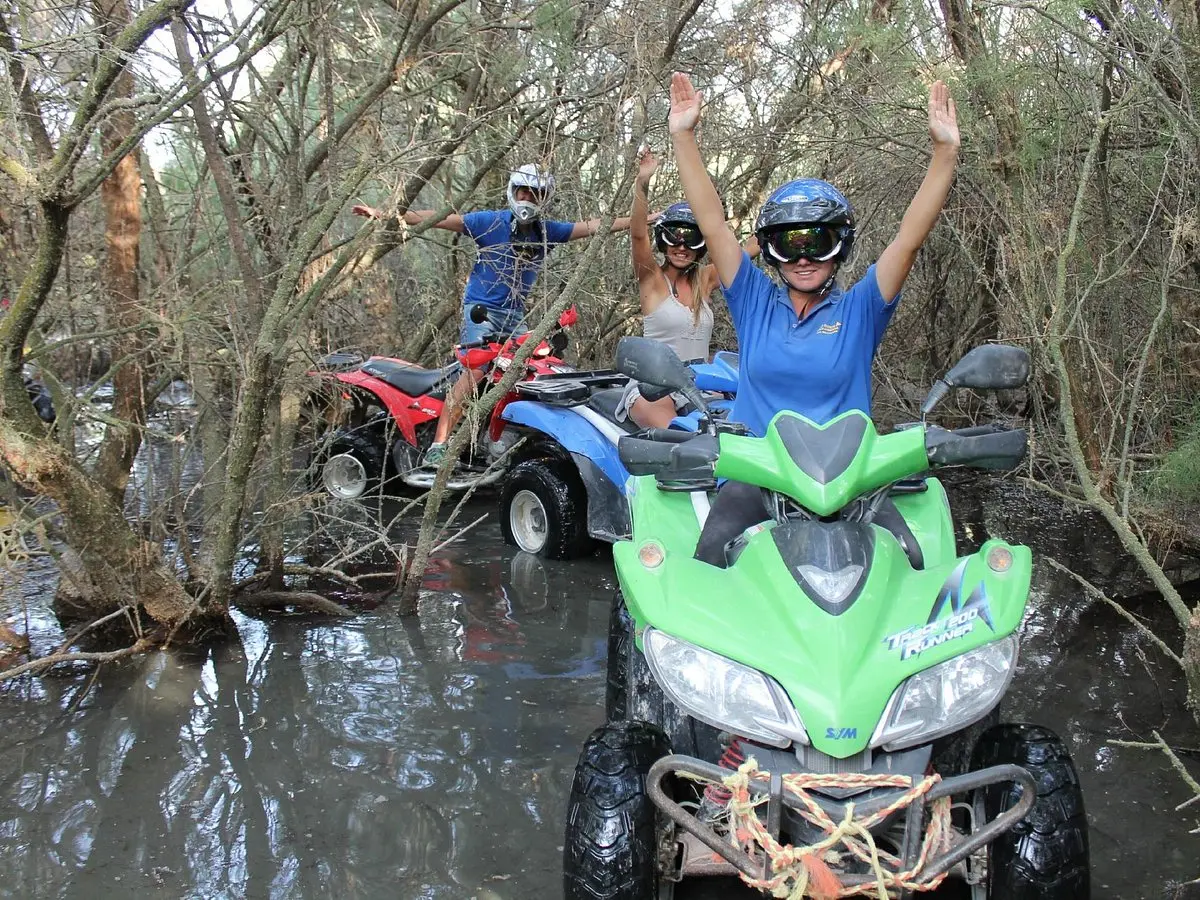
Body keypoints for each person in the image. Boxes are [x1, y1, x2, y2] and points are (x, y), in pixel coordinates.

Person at [665, 72, 961, 565]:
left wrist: (944, 154)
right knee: (708, 567)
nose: (803, 258)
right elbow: (712, 223)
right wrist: (684, 137)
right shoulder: (754, 300)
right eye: (789, 244)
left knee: (914, 566)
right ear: (772, 252)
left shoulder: (861, 310)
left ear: (839, 246)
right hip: (758, 479)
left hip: (849, 484)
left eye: (817, 243)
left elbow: (907, 239)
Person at [354, 163, 638, 468]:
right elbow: (442, 219)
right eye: (523, 192)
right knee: (476, 371)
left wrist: (641, 219)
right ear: (513, 191)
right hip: (482, 310)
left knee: (531, 368)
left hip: (515, 315)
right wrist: (386, 214)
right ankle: (439, 444)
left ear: (545, 198)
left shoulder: (547, 231)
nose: (527, 198)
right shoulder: (489, 222)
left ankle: (507, 438)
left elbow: (595, 225)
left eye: (535, 193)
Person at [619, 148, 758, 429]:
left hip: (698, 385)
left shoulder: (704, 281)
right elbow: (637, 235)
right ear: (663, 241)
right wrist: (642, 181)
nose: (681, 246)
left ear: (701, 245)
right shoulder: (652, 280)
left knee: (739, 431)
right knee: (681, 441)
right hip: (653, 387)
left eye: (691, 238)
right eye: (674, 237)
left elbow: (745, 251)